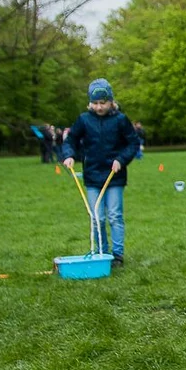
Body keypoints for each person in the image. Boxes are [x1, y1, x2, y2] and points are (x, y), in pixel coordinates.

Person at [61, 78, 141, 268]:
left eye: (102, 103)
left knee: (114, 215)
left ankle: (117, 255)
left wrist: (121, 160)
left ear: (111, 101)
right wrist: (69, 155)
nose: (99, 107)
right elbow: (70, 140)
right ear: (90, 103)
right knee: (97, 217)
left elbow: (133, 143)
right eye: (95, 103)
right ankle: (102, 253)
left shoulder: (121, 120)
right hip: (92, 175)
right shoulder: (84, 120)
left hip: (115, 175)